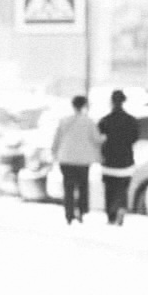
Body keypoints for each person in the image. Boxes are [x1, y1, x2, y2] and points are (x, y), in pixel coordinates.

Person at [51, 95, 103, 224]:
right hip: (83, 160)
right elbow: (97, 140)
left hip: (66, 159)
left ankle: (69, 214)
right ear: (84, 105)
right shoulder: (89, 122)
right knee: (82, 186)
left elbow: (56, 139)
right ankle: (81, 210)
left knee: (68, 187)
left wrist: (54, 154)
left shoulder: (64, 121)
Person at [97, 89, 139, 225]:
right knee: (122, 189)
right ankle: (121, 207)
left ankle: (111, 216)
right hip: (126, 161)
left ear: (111, 102)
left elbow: (99, 139)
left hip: (108, 161)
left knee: (109, 190)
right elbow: (134, 138)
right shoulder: (131, 121)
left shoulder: (105, 121)